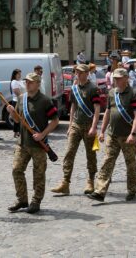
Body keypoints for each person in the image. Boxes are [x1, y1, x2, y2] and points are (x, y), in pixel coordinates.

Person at [6, 73, 59, 214]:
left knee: (39, 174)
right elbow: (17, 120)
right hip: (22, 143)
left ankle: (36, 201)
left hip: (39, 145)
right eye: (26, 82)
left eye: (30, 82)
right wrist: (11, 112)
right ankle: (22, 200)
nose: (27, 84)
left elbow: (55, 121)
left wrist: (42, 134)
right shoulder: (21, 98)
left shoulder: (45, 101)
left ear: (37, 83)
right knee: (16, 170)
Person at [88, 68, 136, 202]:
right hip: (112, 135)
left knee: (130, 164)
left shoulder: (134, 93)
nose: (115, 80)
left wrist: (133, 133)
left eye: (118, 78)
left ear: (126, 79)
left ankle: (132, 190)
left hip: (127, 135)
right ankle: (100, 191)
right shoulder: (112, 93)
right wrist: (102, 131)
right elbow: (107, 112)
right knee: (107, 161)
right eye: (114, 78)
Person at [51, 64, 101, 195]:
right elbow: (73, 106)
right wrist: (70, 125)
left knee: (90, 155)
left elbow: (97, 109)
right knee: (69, 153)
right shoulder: (74, 88)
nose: (77, 74)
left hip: (88, 125)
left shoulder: (93, 89)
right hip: (76, 125)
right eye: (76, 72)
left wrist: (94, 127)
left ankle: (90, 180)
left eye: (80, 72)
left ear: (86, 73)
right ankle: (65, 182)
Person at [9, 69, 24, 138]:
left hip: (21, 100)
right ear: (15, 75)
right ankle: (16, 132)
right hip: (17, 101)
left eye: (20, 74)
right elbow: (16, 92)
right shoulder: (14, 82)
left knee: (20, 117)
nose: (20, 75)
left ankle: (19, 132)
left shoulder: (20, 81)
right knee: (17, 117)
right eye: (18, 74)